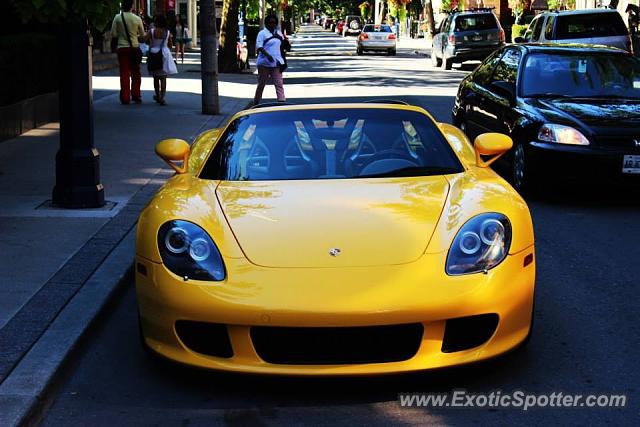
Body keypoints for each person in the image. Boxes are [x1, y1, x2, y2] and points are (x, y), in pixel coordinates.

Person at [110, 0, 145, 104]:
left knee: (124, 73)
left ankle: (125, 97)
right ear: (132, 6)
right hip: (134, 47)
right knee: (136, 72)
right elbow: (142, 34)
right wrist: (134, 35)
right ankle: (136, 94)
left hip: (122, 48)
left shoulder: (117, 18)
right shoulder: (137, 18)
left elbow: (114, 34)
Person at [253, 15, 288, 105]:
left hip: (277, 62)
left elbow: (283, 45)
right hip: (264, 63)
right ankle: (256, 101)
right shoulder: (262, 33)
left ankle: (281, 100)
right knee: (262, 83)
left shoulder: (279, 33)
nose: (272, 24)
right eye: (270, 22)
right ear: (266, 23)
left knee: (279, 83)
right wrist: (267, 55)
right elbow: (259, 47)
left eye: (274, 23)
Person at [146, 15, 178, 105]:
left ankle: (157, 95)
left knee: (155, 78)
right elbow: (171, 45)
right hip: (164, 54)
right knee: (163, 78)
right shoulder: (167, 32)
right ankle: (162, 97)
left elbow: (144, 40)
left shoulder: (152, 31)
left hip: (154, 53)